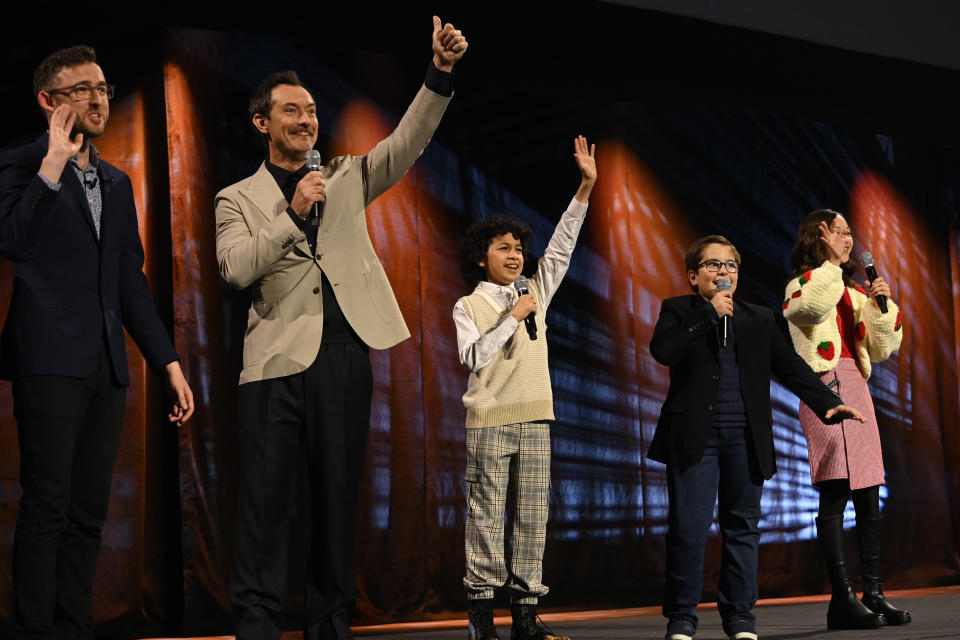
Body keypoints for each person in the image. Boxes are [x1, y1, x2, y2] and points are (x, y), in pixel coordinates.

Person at [214, 17, 467, 640]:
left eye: (310, 111)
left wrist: (438, 74)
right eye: (291, 111)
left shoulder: (348, 176)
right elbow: (234, 270)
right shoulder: (236, 197)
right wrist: (292, 213)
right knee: (264, 505)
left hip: (344, 354)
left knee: (336, 499)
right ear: (262, 123)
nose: (305, 120)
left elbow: (407, 141)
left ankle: (330, 620)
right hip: (274, 362)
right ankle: (257, 621)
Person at [0, 45, 194, 639]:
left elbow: (128, 282)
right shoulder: (18, 163)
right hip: (48, 361)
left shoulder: (115, 181)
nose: (98, 98)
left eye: (103, 87)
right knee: (47, 505)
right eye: (82, 88)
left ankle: (74, 626)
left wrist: (169, 362)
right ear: (48, 101)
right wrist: (52, 166)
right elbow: (15, 241)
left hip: (108, 365)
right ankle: (36, 630)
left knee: (88, 512)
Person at [648, 235, 865, 640]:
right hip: (695, 438)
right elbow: (664, 351)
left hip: (745, 439)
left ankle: (740, 619)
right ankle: (681, 618)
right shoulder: (679, 311)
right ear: (694, 277)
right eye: (712, 266)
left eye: (729, 266)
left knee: (743, 528)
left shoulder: (758, 316)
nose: (723, 272)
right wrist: (710, 315)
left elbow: (790, 366)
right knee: (689, 529)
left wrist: (826, 401)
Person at [454, 135, 595, 640]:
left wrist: (584, 189)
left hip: (536, 416)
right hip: (491, 418)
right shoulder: (469, 306)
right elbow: (473, 357)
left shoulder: (533, 291)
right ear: (480, 257)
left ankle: (525, 616)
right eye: (504, 248)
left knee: (533, 518)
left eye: (518, 249)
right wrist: (512, 318)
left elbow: (560, 249)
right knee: (487, 518)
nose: (515, 256)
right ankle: (481, 618)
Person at [782, 209, 908, 630]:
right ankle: (842, 597)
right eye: (838, 232)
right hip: (823, 388)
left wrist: (881, 307)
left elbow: (884, 345)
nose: (848, 239)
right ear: (817, 236)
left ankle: (874, 592)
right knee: (836, 485)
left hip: (857, 384)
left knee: (869, 487)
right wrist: (831, 265)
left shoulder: (854, 291)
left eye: (850, 233)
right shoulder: (801, 285)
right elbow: (812, 308)